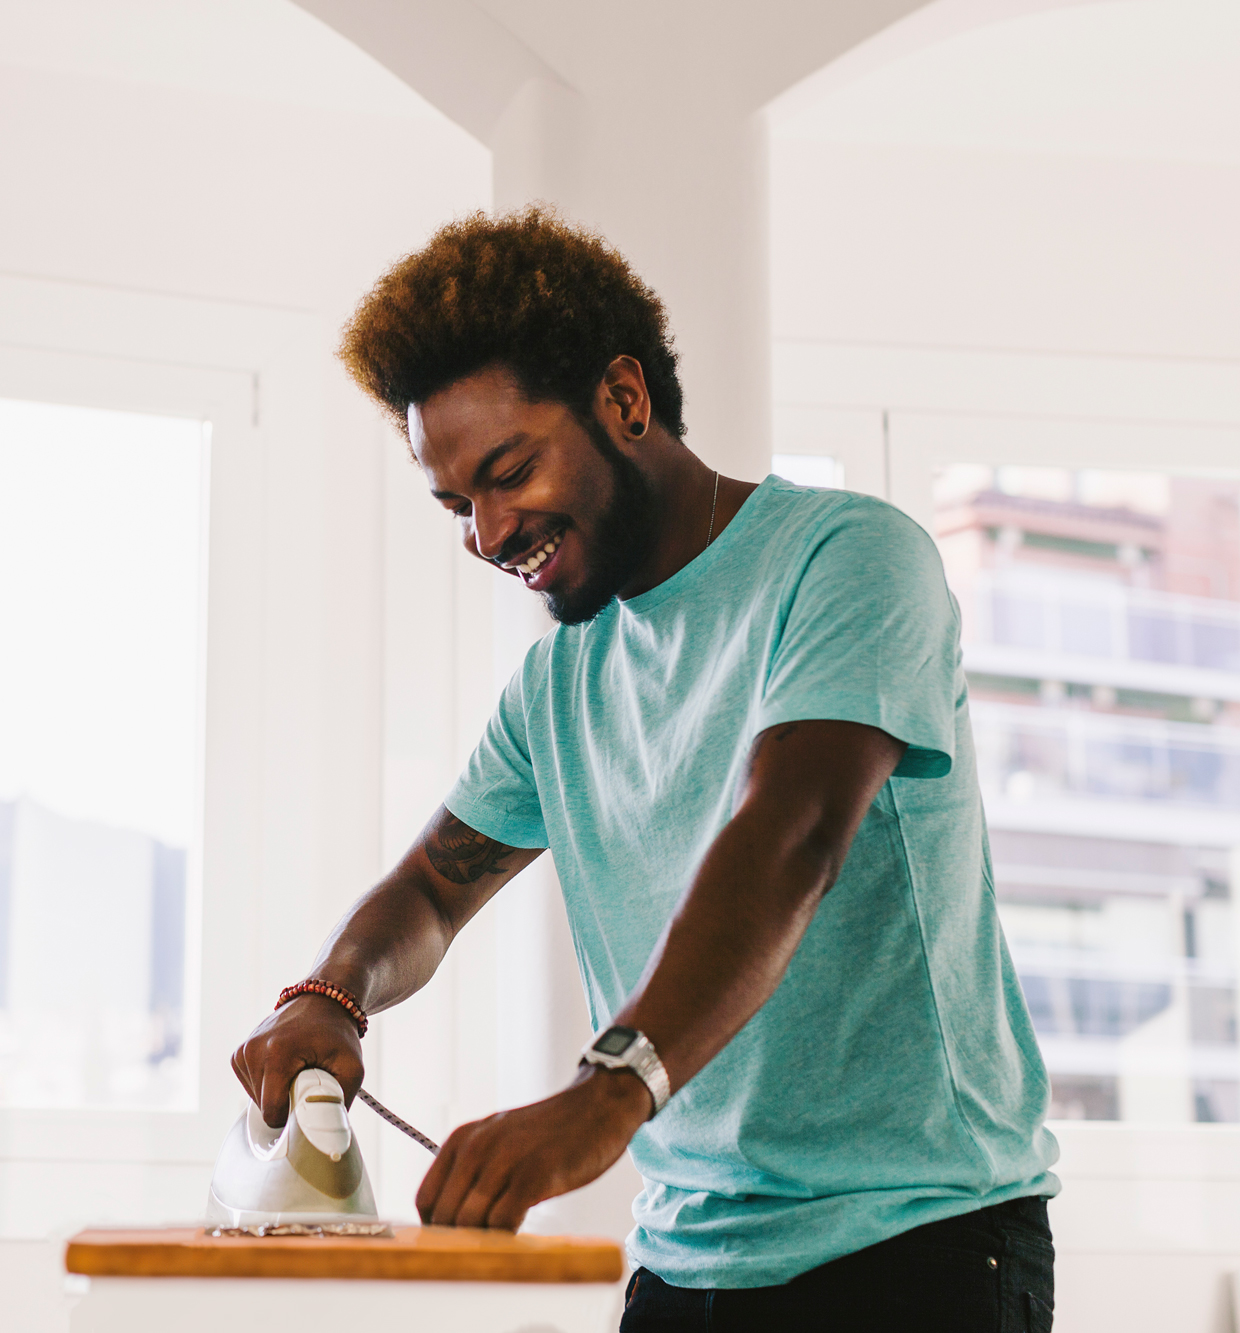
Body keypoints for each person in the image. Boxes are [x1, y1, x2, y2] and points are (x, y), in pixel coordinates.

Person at [231, 208, 1059, 1331]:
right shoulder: (558, 683)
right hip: (683, 1262)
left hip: (915, 1247)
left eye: (508, 472)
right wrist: (332, 996)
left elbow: (792, 835)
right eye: (456, 504)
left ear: (624, 399)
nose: (486, 532)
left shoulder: (847, 560)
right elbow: (431, 886)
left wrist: (606, 1093)